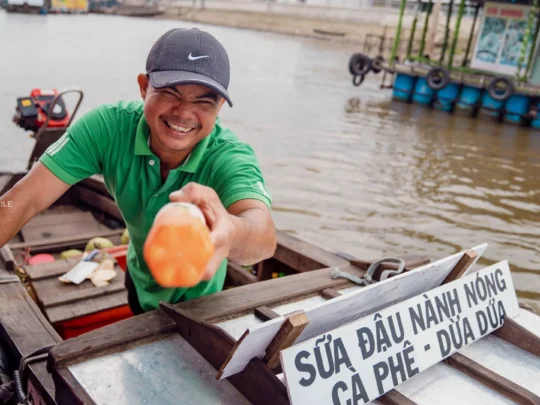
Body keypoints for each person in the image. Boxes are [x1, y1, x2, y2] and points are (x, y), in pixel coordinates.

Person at [0, 28, 277, 315]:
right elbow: (22, 199)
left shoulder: (228, 156)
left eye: (203, 101)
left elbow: (263, 234)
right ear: (144, 86)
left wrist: (231, 231)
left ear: (220, 106)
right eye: (171, 92)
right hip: (139, 279)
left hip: (202, 302)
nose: (183, 113)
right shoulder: (107, 128)